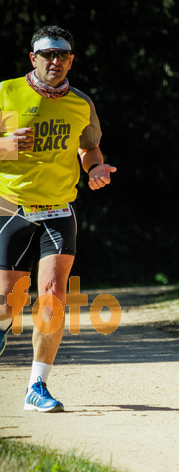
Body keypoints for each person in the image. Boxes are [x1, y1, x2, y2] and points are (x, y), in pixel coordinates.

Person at [0, 26, 116, 412]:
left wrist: (95, 169)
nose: (55, 61)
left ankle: (37, 385)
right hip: (11, 206)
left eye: (62, 55)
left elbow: (90, 147)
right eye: (47, 54)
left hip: (59, 209)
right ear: (32, 58)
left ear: (71, 60)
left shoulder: (80, 103)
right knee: (8, 304)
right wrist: (4, 145)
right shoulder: (8, 93)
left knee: (53, 293)